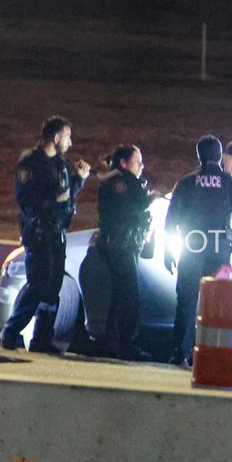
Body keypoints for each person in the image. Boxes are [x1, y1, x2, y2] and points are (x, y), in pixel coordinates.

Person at [0, 116, 91, 353]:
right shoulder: (30, 162)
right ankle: (11, 331)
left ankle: (42, 338)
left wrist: (78, 180)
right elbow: (25, 199)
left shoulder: (59, 164)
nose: (70, 142)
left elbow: (65, 194)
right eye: (68, 136)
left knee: (52, 288)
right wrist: (52, 201)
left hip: (57, 232)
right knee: (37, 285)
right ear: (56, 137)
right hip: (38, 232)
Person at [164, 135, 232, 367]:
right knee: (217, 304)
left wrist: (167, 251)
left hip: (192, 247)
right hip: (219, 249)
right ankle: (213, 354)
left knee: (186, 300)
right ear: (219, 155)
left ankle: (180, 353)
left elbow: (170, 220)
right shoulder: (231, 184)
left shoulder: (185, 183)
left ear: (199, 155)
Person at [96, 144, 151, 359]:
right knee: (129, 296)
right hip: (119, 245)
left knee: (121, 296)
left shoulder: (124, 181)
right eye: (137, 161)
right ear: (123, 163)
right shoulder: (119, 182)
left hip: (123, 244)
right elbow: (131, 209)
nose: (141, 166)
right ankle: (125, 344)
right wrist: (151, 199)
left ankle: (115, 342)